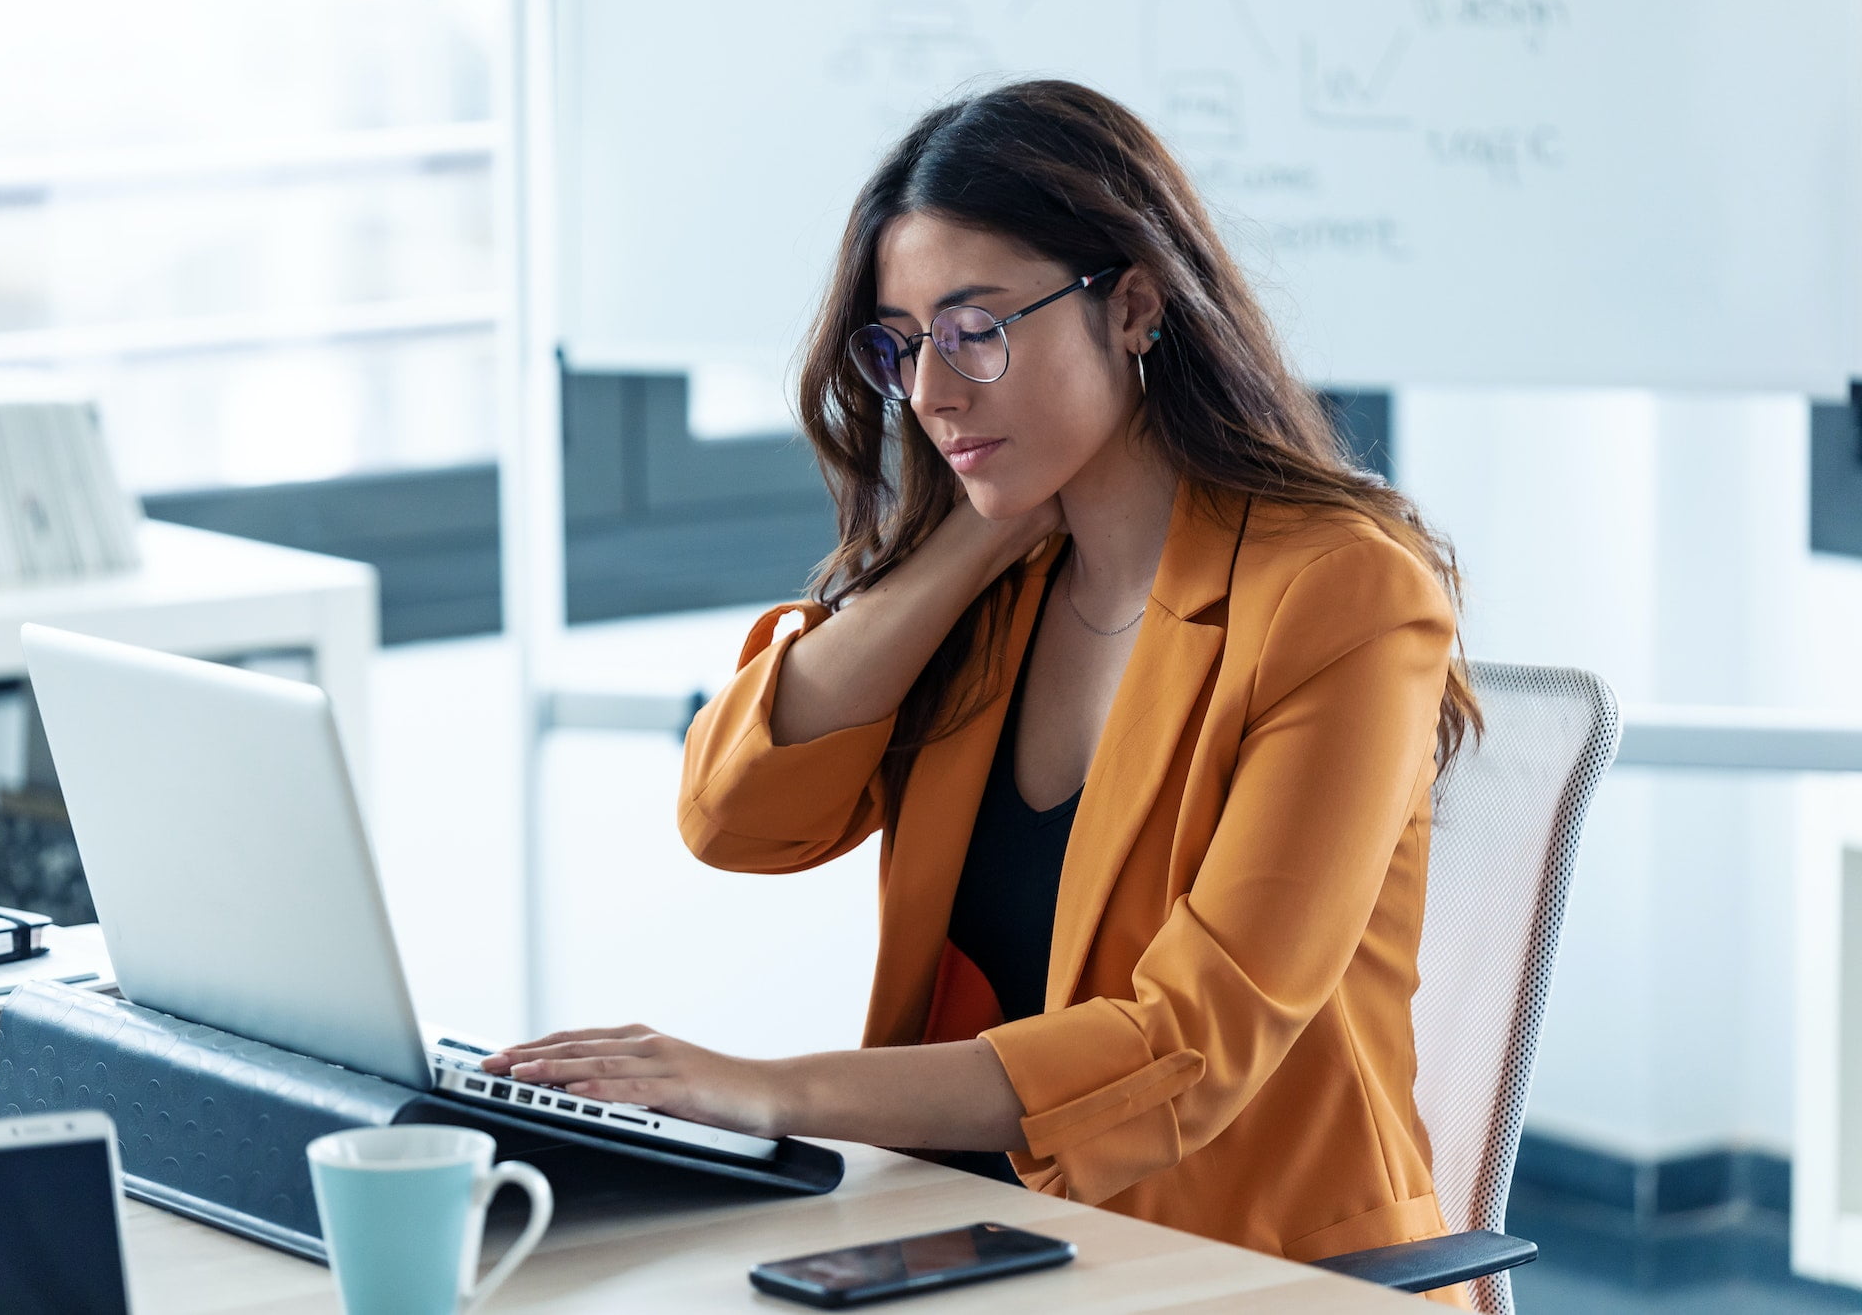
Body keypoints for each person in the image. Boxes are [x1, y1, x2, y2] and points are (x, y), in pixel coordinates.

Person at [483, 79, 1480, 1306]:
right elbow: (734, 819)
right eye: (901, 345)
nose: (931, 394)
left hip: (1247, 1269)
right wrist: (964, 546)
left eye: (976, 328)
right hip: (970, 1241)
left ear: (1132, 305)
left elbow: (1189, 1044)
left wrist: (764, 1086)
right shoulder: (997, 592)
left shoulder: (1340, 593)